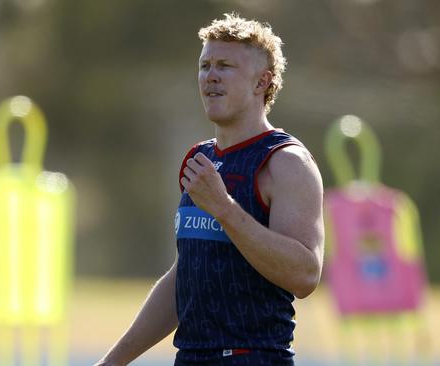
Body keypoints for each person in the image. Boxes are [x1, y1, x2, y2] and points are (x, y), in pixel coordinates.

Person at [95, 13, 324, 366]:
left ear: (261, 82)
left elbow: (305, 275)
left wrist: (225, 208)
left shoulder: (286, 162)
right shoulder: (200, 159)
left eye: (226, 66)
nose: (211, 75)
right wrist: (110, 363)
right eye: (205, 65)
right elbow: (184, 277)